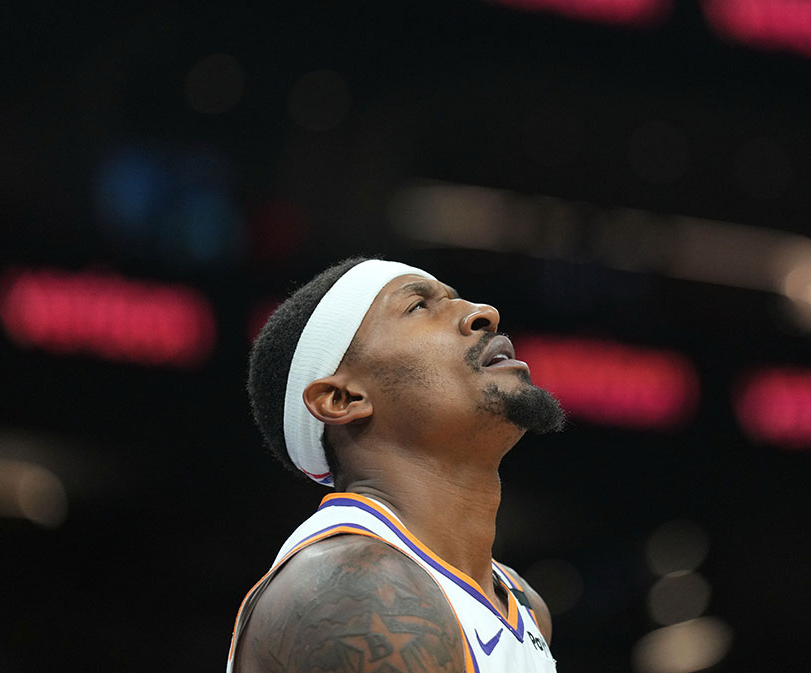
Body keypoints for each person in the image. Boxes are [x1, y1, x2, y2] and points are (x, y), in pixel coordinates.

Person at [228, 257, 566, 673]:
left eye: (455, 299)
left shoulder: (523, 602)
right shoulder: (358, 588)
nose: (485, 314)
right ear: (342, 399)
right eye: (418, 306)